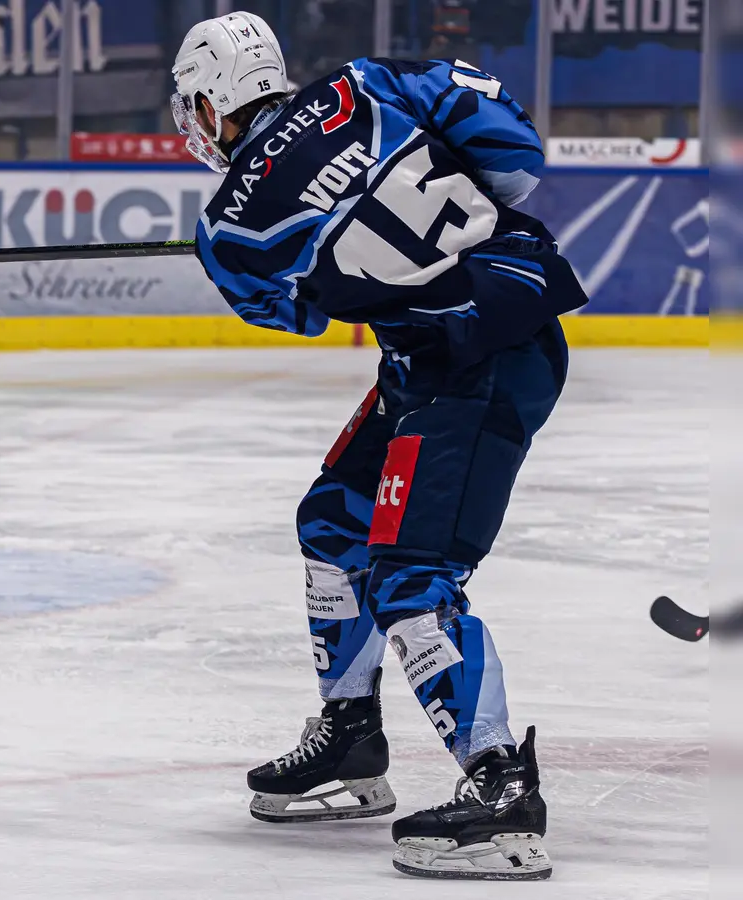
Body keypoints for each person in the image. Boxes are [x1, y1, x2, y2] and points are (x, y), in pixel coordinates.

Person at [172, 12, 584, 881]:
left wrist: (301, 223)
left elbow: (297, 312)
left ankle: (501, 785)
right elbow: (514, 153)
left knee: (409, 575)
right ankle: (351, 736)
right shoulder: (365, 84)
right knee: (334, 520)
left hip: (469, 371)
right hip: (475, 334)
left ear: (212, 105)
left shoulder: (228, 236)